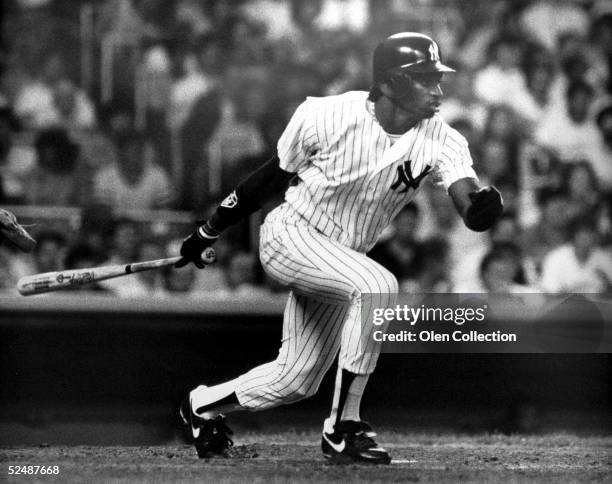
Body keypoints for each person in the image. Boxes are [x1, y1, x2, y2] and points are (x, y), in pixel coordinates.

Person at [175, 32, 503, 464]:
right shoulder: (326, 114)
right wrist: (210, 229)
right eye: (423, 78)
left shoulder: (443, 138)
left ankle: (200, 405)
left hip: (343, 260)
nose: (437, 89)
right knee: (377, 286)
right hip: (291, 235)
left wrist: (479, 207)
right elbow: (269, 179)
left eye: (436, 77)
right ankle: (343, 428)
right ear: (389, 83)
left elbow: (465, 196)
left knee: (296, 380)